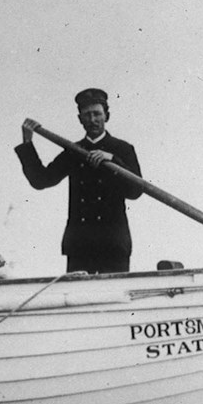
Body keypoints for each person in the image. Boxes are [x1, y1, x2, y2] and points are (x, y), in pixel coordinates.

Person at [15, 88, 143, 274]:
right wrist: (27, 143)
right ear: (80, 119)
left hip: (113, 243)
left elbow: (136, 191)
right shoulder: (73, 151)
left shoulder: (122, 149)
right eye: (87, 115)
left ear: (106, 116)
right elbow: (41, 180)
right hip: (80, 244)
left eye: (97, 114)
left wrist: (113, 161)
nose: (92, 120)